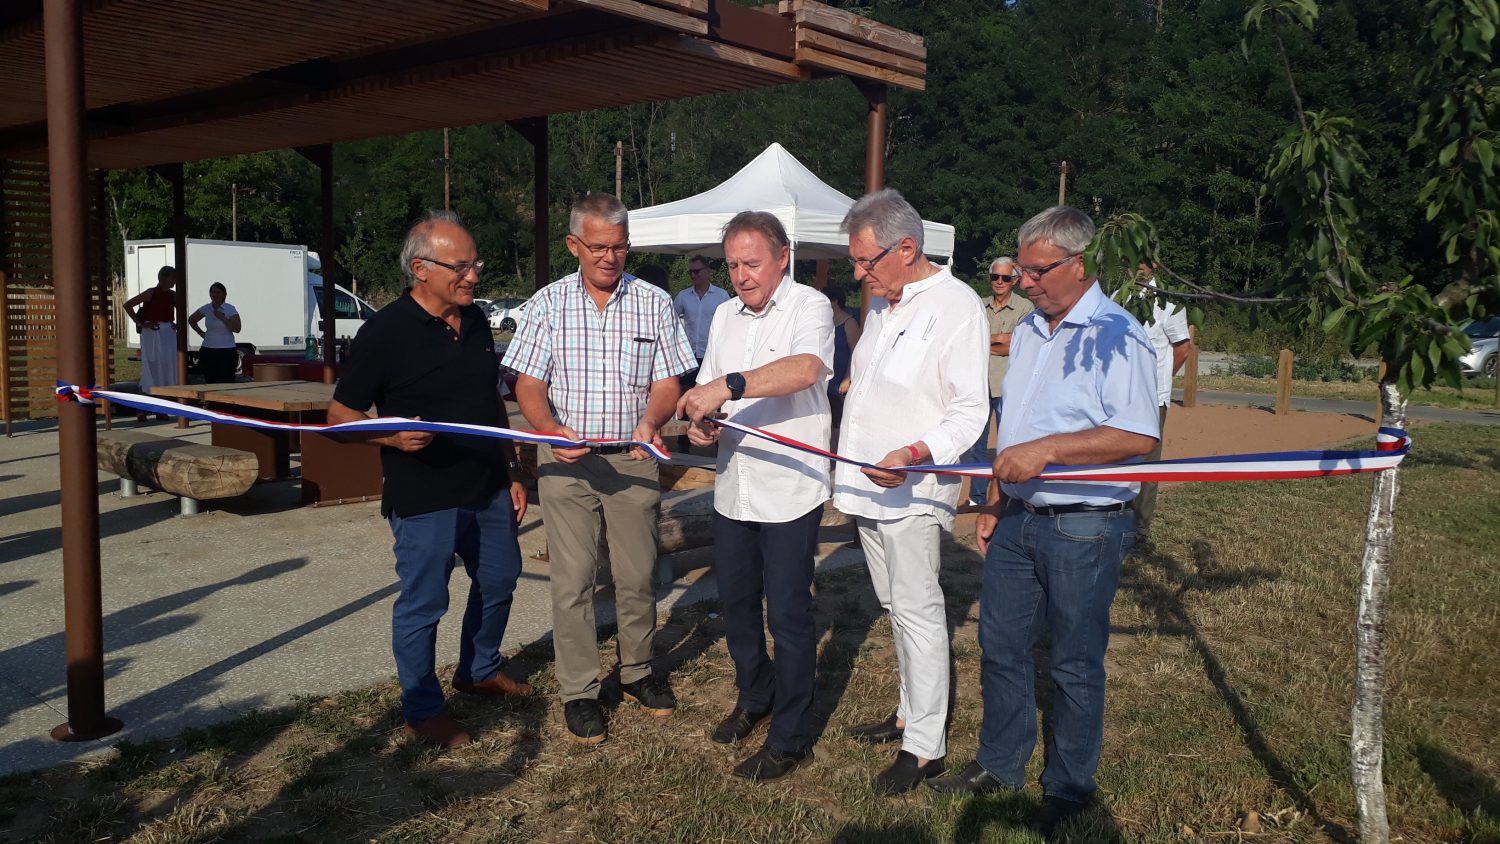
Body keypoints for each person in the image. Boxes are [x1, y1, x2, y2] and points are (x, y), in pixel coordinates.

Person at [928, 207, 1159, 841]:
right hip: (1018, 519)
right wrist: (997, 496)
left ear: (1078, 264)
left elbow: (1138, 434)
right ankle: (1000, 765)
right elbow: (1016, 429)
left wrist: (1050, 452)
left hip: (1084, 524)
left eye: (1037, 270)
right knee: (1000, 645)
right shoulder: (1030, 331)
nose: (1025, 281)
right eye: (1021, 270)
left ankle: (1069, 786)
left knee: (1074, 660)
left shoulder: (1119, 334)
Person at [327, 211, 532, 750]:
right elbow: (338, 419)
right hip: (424, 495)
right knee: (425, 602)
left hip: (486, 484)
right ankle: (422, 708)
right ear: (421, 267)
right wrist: (389, 438)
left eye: (475, 264)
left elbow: (490, 404)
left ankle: (479, 670)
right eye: (460, 267)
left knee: (501, 578)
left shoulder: (479, 323)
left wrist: (511, 468)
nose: (473, 276)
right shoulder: (384, 333)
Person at [503, 192, 697, 746]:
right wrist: (546, 430)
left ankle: (637, 671)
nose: (610, 258)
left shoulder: (654, 302)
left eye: (619, 247)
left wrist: (652, 419)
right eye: (598, 248)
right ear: (574, 245)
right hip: (567, 463)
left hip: (633, 461)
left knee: (637, 575)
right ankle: (581, 690)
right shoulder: (548, 304)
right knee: (574, 581)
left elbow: (668, 381)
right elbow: (528, 384)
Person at [831, 189, 989, 795]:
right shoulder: (882, 304)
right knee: (894, 605)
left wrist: (916, 453)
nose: (859, 273)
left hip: (914, 491)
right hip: (865, 487)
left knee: (920, 612)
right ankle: (908, 711)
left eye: (866, 261)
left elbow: (969, 411)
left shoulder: (957, 307)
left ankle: (924, 747)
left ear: (907, 247)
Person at [677, 211, 834, 782]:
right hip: (735, 482)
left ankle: (791, 736)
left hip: (791, 486)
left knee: (789, 614)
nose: (742, 275)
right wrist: (704, 422)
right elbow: (712, 392)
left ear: (782, 257)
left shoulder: (808, 307)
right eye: (734, 264)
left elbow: (805, 368)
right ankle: (755, 693)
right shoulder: (722, 315)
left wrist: (729, 385)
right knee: (738, 605)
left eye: (753, 263)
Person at [965, 257, 1034, 506]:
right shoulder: (978, 305)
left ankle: (1008, 495)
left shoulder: (1025, 308)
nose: (999, 282)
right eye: (995, 277)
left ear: (1015, 280)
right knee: (976, 446)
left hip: (1009, 386)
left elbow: (1018, 345)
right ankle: (977, 497)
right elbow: (969, 342)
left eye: (1005, 277)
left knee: (1010, 441)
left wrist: (986, 342)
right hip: (979, 385)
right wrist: (1000, 341)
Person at [1131, 262, 1194, 537]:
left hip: (1152, 398)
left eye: (1145, 260)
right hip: (1118, 396)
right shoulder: (1117, 298)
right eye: (1133, 259)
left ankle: (1139, 527)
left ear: (1155, 264)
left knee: (1147, 463)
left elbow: (1183, 348)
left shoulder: (1169, 303)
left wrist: (1159, 380)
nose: (1139, 265)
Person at [673, 255, 731, 387]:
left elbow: (730, 325)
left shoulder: (721, 296)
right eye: (690, 272)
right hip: (689, 355)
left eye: (696, 271)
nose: (693, 275)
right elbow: (670, 321)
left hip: (711, 353)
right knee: (686, 391)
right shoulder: (683, 296)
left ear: (708, 271)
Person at [125, 266, 179, 394]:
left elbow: (182, 310)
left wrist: (177, 325)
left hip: (168, 333)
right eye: (173, 278)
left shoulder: (173, 295)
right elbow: (128, 305)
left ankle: (164, 401)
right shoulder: (151, 293)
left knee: (167, 365)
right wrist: (141, 323)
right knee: (152, 365)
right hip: (153, 332)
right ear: (164, 278)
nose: (174, 281)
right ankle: (145, 401)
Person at [189, 282, 242, 383]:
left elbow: (237, 328)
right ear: (210, 294)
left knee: (227, 380)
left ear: (224, 294)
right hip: (208, 350)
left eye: (218, 292)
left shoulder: (230, 309)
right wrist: (200, 332)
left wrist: (223, 318)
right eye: (213, 292)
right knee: (210, 380)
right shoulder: (207, 308)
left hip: (227, 350)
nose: (215, 294)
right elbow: (191, 319)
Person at [823, 283, 860, 426]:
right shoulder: (825, 321)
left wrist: (847, 378)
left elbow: (856, 352)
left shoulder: (849, 323)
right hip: (826, 379)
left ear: (834, 301)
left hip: (839, 380)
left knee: (837, 423)